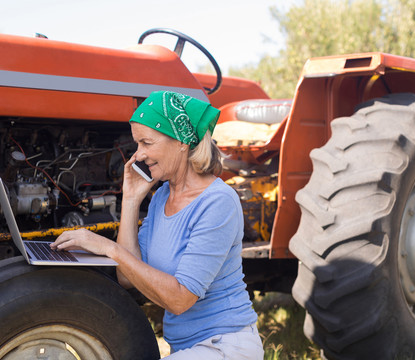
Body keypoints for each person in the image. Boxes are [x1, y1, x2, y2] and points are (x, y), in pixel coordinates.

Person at [51, 90, 264, 359]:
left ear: (181, 143)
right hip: (186, 348)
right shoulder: (162, 196)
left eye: (146, 143)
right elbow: (127, 277)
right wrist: (129, 199)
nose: (138, 155)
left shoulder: (218, 202)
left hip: (225, 345)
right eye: (137, 144)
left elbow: (179, 300)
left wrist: (108, 248)